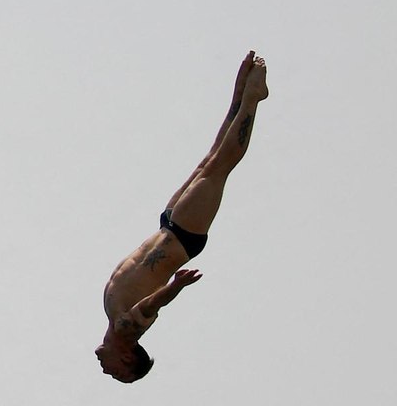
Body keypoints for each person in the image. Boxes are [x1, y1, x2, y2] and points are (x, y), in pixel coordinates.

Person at [95, 51, 269, 383]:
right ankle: (253, 99)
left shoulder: (112, 317)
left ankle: (240, 93)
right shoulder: (128, 332)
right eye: (117, 373)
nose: (107, 372)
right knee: (221, 166)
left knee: (211, 159)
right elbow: (151, 305)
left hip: (169, 226)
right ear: (128, 357)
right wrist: (176, 286)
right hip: (183, 235)